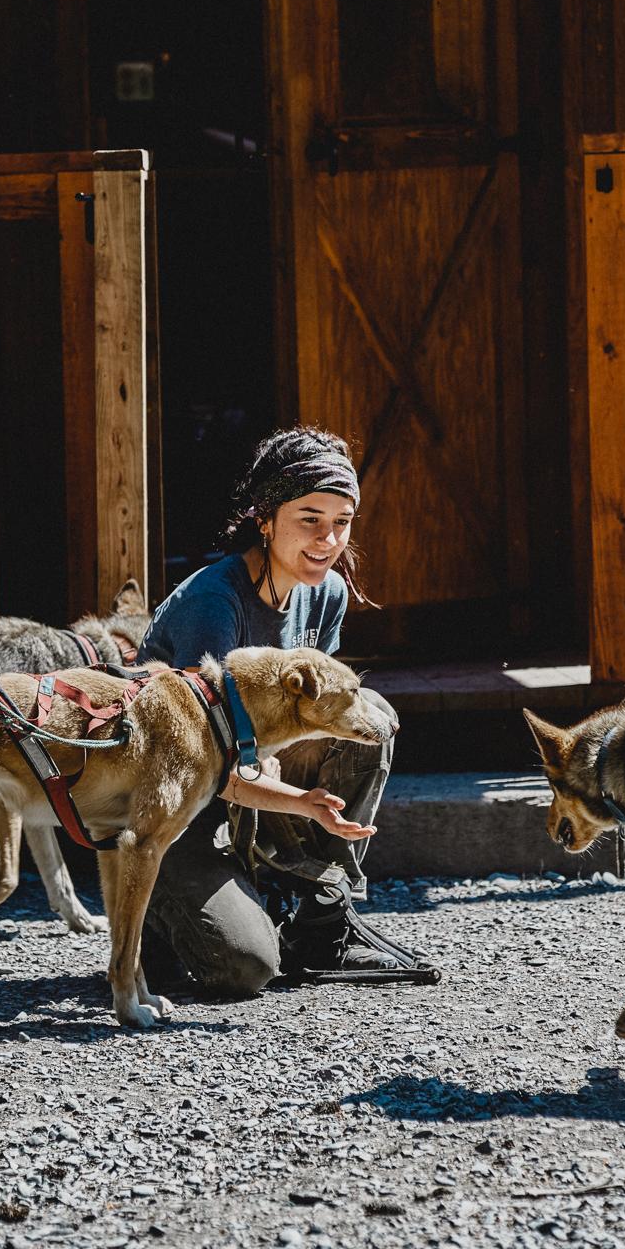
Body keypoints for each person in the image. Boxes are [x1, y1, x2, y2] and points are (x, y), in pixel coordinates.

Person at [137, 426, 435, 997]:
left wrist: (275, 764)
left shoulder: (326, 594)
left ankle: (321, 920)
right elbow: (214, 763)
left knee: (368, 715)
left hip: (255, 783)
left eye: (341, 522)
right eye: (309, 519)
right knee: (244, 967)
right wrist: (287, 788)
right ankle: (163, 917)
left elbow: (324, 709)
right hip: (182, 807)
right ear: (266, 518)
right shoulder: (212, 602)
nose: (327, 539)